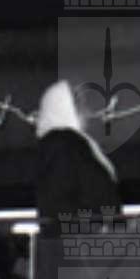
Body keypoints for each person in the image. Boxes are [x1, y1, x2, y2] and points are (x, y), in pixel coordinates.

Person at [34, 79, 122, 224]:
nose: (87, 112)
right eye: (80, 106)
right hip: (83, 236)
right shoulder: (61, 144)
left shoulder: (71, 144)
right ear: (65, 107)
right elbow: (60, 203)